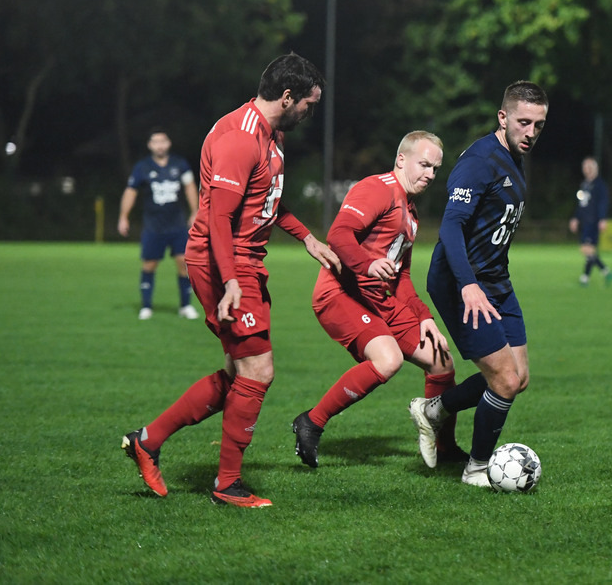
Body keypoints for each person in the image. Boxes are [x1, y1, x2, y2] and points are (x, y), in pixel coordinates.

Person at [121, 53, 340, 507]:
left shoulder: (270, 133)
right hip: (225, 265)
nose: (310, 113)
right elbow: (218, 218)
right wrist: (232, 281)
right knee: (258, 371)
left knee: (238, 372)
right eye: (309, 104)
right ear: (287, 97)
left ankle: (148, 440)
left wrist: (307, 239)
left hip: (243, 264)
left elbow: (267, 202)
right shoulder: (240, 140)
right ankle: (227, 484)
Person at [292, 131, 465, 468]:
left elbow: (401, 278)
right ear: (401, 159)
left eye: (436, 169)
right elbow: (339, 235)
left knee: (442, 361)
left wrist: (424, 317)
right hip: (340, 294)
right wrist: (367, 264)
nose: (430, 174)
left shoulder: (410, 214)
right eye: (425, 164)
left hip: (378, 300)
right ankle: (311, 422)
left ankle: (444, 447)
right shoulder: (377, 188)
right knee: (388, 360)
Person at [408, 80, 548, 487]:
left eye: (538, 125)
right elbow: (451, 225)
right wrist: (468, 284)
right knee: (503, 380)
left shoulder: (514, 159)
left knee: (518, 378)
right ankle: (477, 468)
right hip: (459, 282)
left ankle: (434, 411)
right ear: (502, 117)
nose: (531, 132)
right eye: (523, 122)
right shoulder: (480, 160)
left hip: (496, 282)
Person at [118, 130, 200, 320]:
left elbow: (190, 186)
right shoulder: (142, 167)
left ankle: (185, 306)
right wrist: (124, 216)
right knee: (149, 264)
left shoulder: (180, 164)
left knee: (183, 263)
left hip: (177, 224)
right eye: (155, 142)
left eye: (163, 141)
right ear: (150, 145)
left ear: (169, 143)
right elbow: (131, 191)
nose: (160, 145)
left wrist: (195, 211)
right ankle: (146, 306)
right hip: (153, 225)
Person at [569, 156, 612, 286]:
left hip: (593, 221)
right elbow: (581, 204)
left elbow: (603, 203)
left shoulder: (599, 185)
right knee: (589, 250)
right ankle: (605, 272)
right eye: (585, 167)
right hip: (585, 221)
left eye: (589, 167)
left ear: (595, 169)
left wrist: (602, 219)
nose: (586, 170)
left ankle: (586, 277)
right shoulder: (584, 185)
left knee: (587, 249)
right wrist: (576, 218)